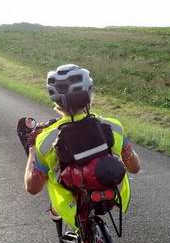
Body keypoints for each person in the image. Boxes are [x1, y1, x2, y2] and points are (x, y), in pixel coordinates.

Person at [24, 64, 141, 230]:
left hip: (72, 205)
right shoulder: (114, 127)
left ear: (56, 102)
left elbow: (33, 188)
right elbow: (134, 168)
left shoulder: (45, 140)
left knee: (50, 174)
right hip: (114, 195)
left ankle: (57, 211)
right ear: (89, 95)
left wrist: (32, 149)